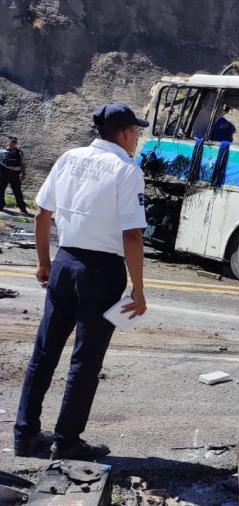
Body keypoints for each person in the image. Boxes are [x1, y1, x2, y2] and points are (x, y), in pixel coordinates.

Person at [13, 104, 149, 460]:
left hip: (65, 261)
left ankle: (25, 435)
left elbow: (43, 214)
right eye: (135, 131)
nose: (136, 138)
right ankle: (67, 440)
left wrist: (44, 263)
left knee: (44, 353)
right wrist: (139, 288)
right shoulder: (126, 170)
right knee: (85, 360)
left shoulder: (69, 158)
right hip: (102, 270)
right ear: (123, 133)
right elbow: (132, 235)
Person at [0, 136, 29, 215]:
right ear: (8, 142)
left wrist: (24, 173)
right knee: (1, 190)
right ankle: (1, 206)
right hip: (3, 174)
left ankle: (22, 208)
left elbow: (23, 164)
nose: (13, 143)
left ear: (16, 143)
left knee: (17, 192)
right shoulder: (2, 151)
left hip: (15, 175)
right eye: (11, 142)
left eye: (14, 142)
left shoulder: (20, 152)